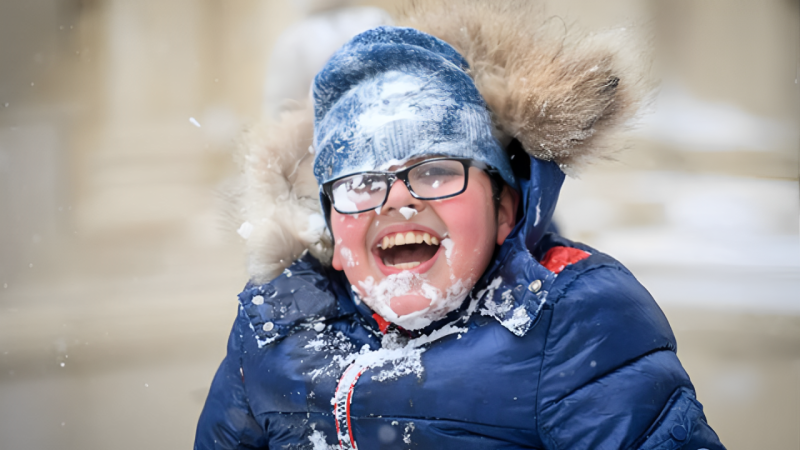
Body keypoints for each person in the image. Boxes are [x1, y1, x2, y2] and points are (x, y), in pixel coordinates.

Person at [196, 2, 727, 449]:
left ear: (503, 210)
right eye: (362, 181)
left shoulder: (571, 322)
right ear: (332, 234)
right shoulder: (277, 327)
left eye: (435, 171)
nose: (398, 200)